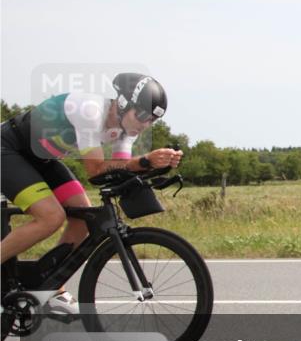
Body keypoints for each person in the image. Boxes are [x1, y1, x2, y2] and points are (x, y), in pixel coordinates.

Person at [0, 73, 183, 313]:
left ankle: (52, 288)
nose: (145, 124)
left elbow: (116, 172)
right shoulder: (90, 110)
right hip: (9, 149)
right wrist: (146, 161)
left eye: (152, 120)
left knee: (84, 218)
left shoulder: (127, 131)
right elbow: (95, 169)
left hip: (42, 158)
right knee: (51, 217)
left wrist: (155, 167)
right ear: (124, 103)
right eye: (143, 116)